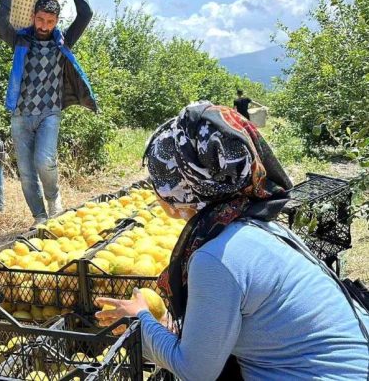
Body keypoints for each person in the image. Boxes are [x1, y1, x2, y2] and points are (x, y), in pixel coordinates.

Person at [95, 102, 369, 380]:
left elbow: (195, 371)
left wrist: (139, 321)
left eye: (160, 178)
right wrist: (167, 327)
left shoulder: (215, 258)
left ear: (183, 185)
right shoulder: (255, 225)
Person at [0, 0, 97, 224]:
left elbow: (86, 12)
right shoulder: (20, 39)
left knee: (44, 162)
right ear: (34, 17)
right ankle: (40, 218)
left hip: (49, 113)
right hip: (21, 115)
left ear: (56, 22)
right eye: (40, 19)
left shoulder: (63, 41)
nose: (44, 25)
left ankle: (54, 201)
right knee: (27, 173)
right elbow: (1, 24)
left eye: (50, 21)